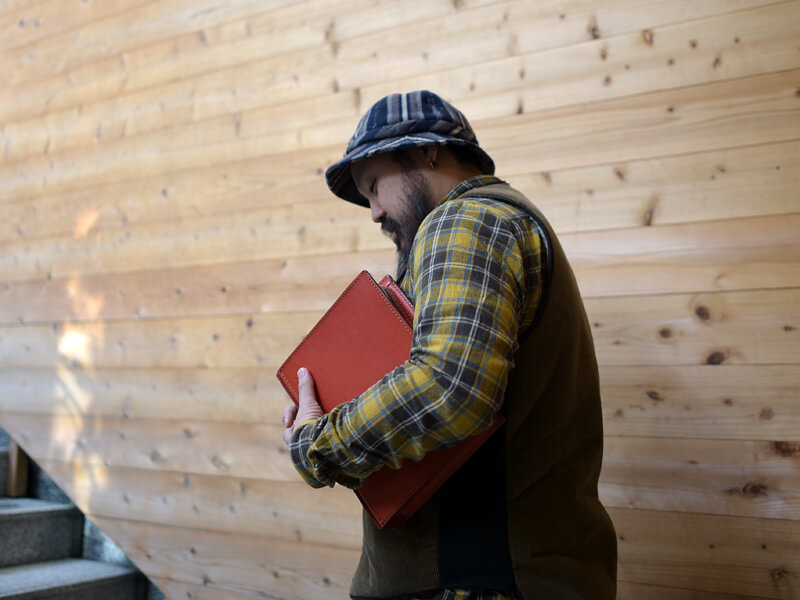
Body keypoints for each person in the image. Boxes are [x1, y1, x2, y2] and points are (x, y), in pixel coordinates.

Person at [281, 90, 617, 600]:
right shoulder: (497, 222)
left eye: (373, 187)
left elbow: (449, 386)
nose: (373, 212)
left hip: (476, 584)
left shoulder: (465, 221)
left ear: (425, 152)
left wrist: (317, 443)